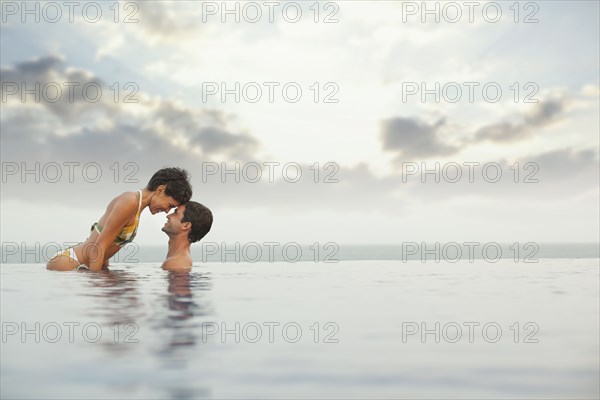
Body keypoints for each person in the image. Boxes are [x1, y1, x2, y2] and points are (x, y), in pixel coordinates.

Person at [47, 167, 192, 271]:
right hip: (69, 263)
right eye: (169, 205)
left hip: (81, 265)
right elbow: (100, 246)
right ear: (160, 190)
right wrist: (94, 288)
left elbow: (104, 238)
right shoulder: (130, 202)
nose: (166, 211)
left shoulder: (135, 206)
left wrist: (105, 270)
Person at [161, 201, 213, 271]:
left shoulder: (175, 264)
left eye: (175, 213)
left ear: (186, 225)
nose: (168, 216)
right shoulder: (178, 261)